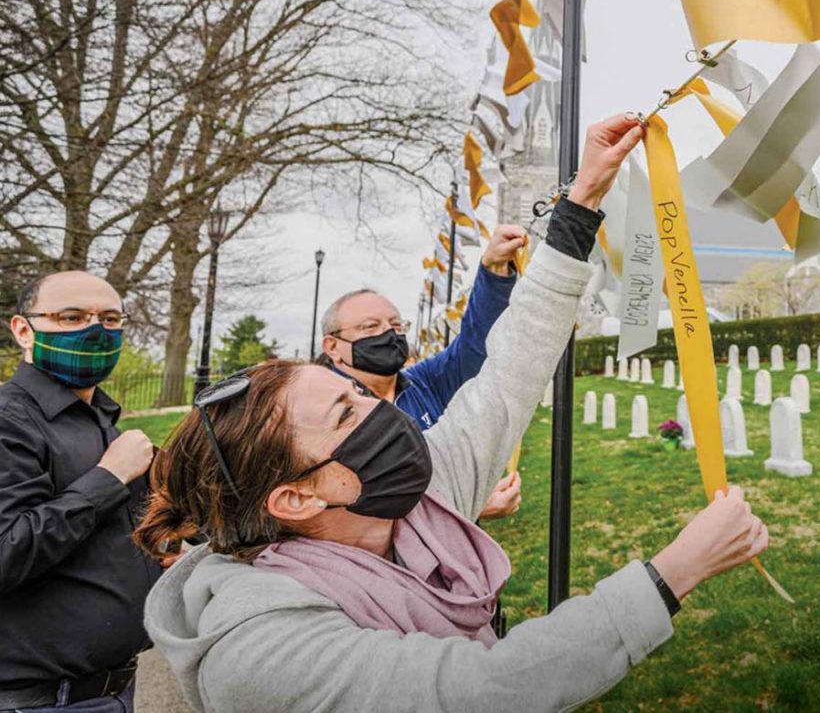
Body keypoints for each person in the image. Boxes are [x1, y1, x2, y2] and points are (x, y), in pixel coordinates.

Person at [136, 114, 769, 712]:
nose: (379, 411)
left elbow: (511, 368)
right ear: (296, 498)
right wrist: (673, 572)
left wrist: (582, 202)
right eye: (345, 414)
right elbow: (483, 688)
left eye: (359, 395)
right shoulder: (256, 648)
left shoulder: (418, 502)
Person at [0, 272, 161, 711]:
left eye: (110, 319)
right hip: (40, 701)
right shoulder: (9, 421)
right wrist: (109, 478)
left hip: (112, 690)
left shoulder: (101, 419)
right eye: (71, 318)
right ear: (24, 330)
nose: (96, 331)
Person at [317, 225, 527, 519]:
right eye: (370, 327)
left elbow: (475, 343)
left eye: (396, 325)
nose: (389, 334)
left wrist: (494, 271)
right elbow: (340, 516)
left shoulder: (423, 383)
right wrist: (463, 508)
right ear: (332, 346)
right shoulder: (318, 414)